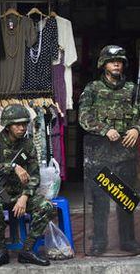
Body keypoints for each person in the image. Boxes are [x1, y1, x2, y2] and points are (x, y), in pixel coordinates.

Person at [79, 45, 140, 255]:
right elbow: (83, 117)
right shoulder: (92, 89)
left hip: (126, 156)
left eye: (120, 61)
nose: (117, 64)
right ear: (103, 64)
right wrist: (105, 129)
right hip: (99, 157)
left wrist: (136, 128)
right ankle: (99, 241)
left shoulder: (133, 89)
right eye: (112, 61)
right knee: (100, 203)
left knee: (126, 200)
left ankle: (128, 241)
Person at [0, 104, 54, 268]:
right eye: (17, 124)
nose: (22, 128)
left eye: (24, 124)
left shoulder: (28, 144)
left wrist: (24, 197)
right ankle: (1, 251)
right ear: (7, 125)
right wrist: (12, 167)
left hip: (19, 194)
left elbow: (34, 176)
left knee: (46, 207)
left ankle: (27, 251)